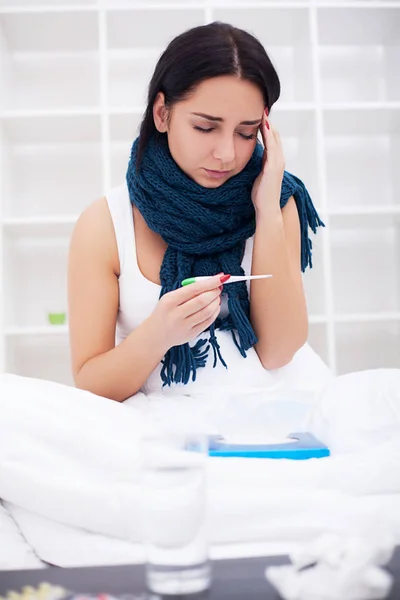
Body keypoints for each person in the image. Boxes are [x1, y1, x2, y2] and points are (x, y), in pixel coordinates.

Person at [67, 21, 326, 403]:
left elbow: (279, 351)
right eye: (206, 127)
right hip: (160, 424)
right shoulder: (105, 224)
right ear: (161, 113)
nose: (227, 154)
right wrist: (161, 333)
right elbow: (91, 384)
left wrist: (267, 209)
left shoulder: (276, 201)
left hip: (276, 410)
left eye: (246, 132)